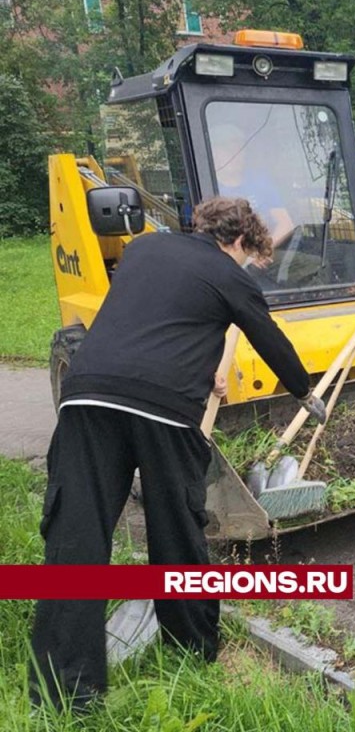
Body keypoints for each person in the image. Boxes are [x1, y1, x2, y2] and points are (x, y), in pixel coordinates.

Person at [30, 197, 327, 712]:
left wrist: (203, 363)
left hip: (86, 396)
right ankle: (191, 649)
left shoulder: (144, 250)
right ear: (237, 240)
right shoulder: (230, 275)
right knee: (176, 530)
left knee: (74, 536)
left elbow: (161, 320)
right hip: (164, 412)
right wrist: (305, 393)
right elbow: (270, 339)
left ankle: (62, 693)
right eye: (246, 253)